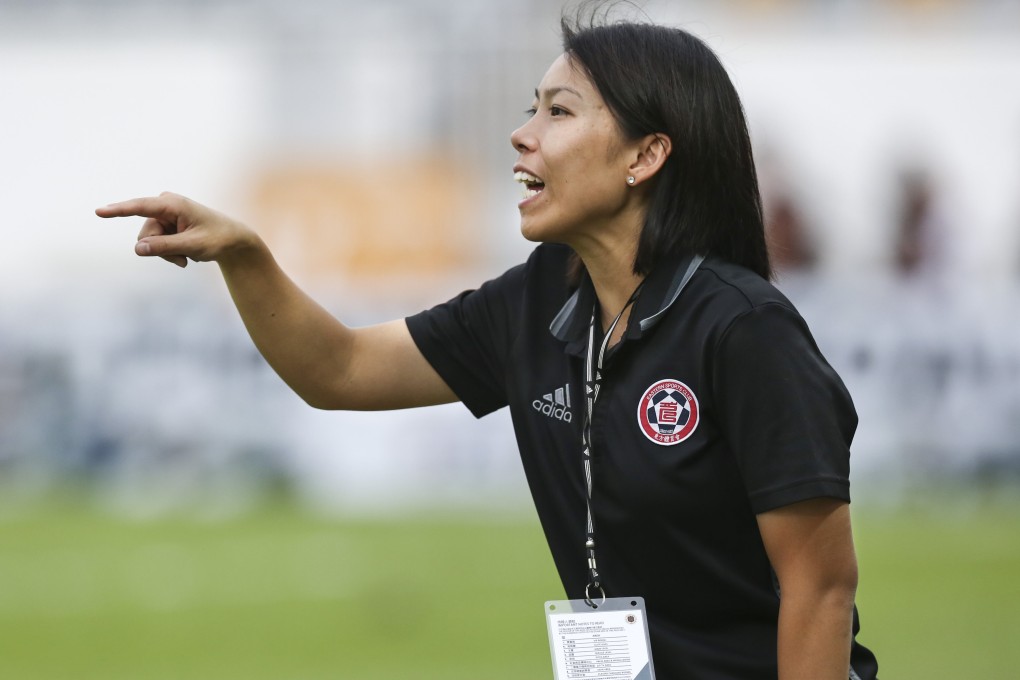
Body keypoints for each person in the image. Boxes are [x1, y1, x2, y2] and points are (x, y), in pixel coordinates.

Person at [97, 14, 879, 680]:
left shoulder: (744, 330)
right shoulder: (536, 301)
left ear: (645, 157)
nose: (521, 134)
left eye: (559, 113)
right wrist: (246, 256)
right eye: (530, 108)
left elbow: (819, 589)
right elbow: (336, 369)